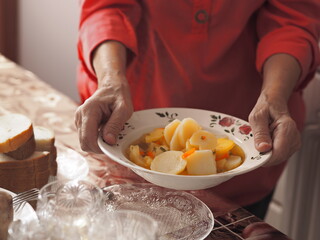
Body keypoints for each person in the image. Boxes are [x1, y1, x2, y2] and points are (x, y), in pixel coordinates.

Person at [75, 0, 320, 219]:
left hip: (250, 123)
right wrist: (110, 80)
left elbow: (292, 19)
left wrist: (274, 95)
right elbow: (106, 6)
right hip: (128, 114)